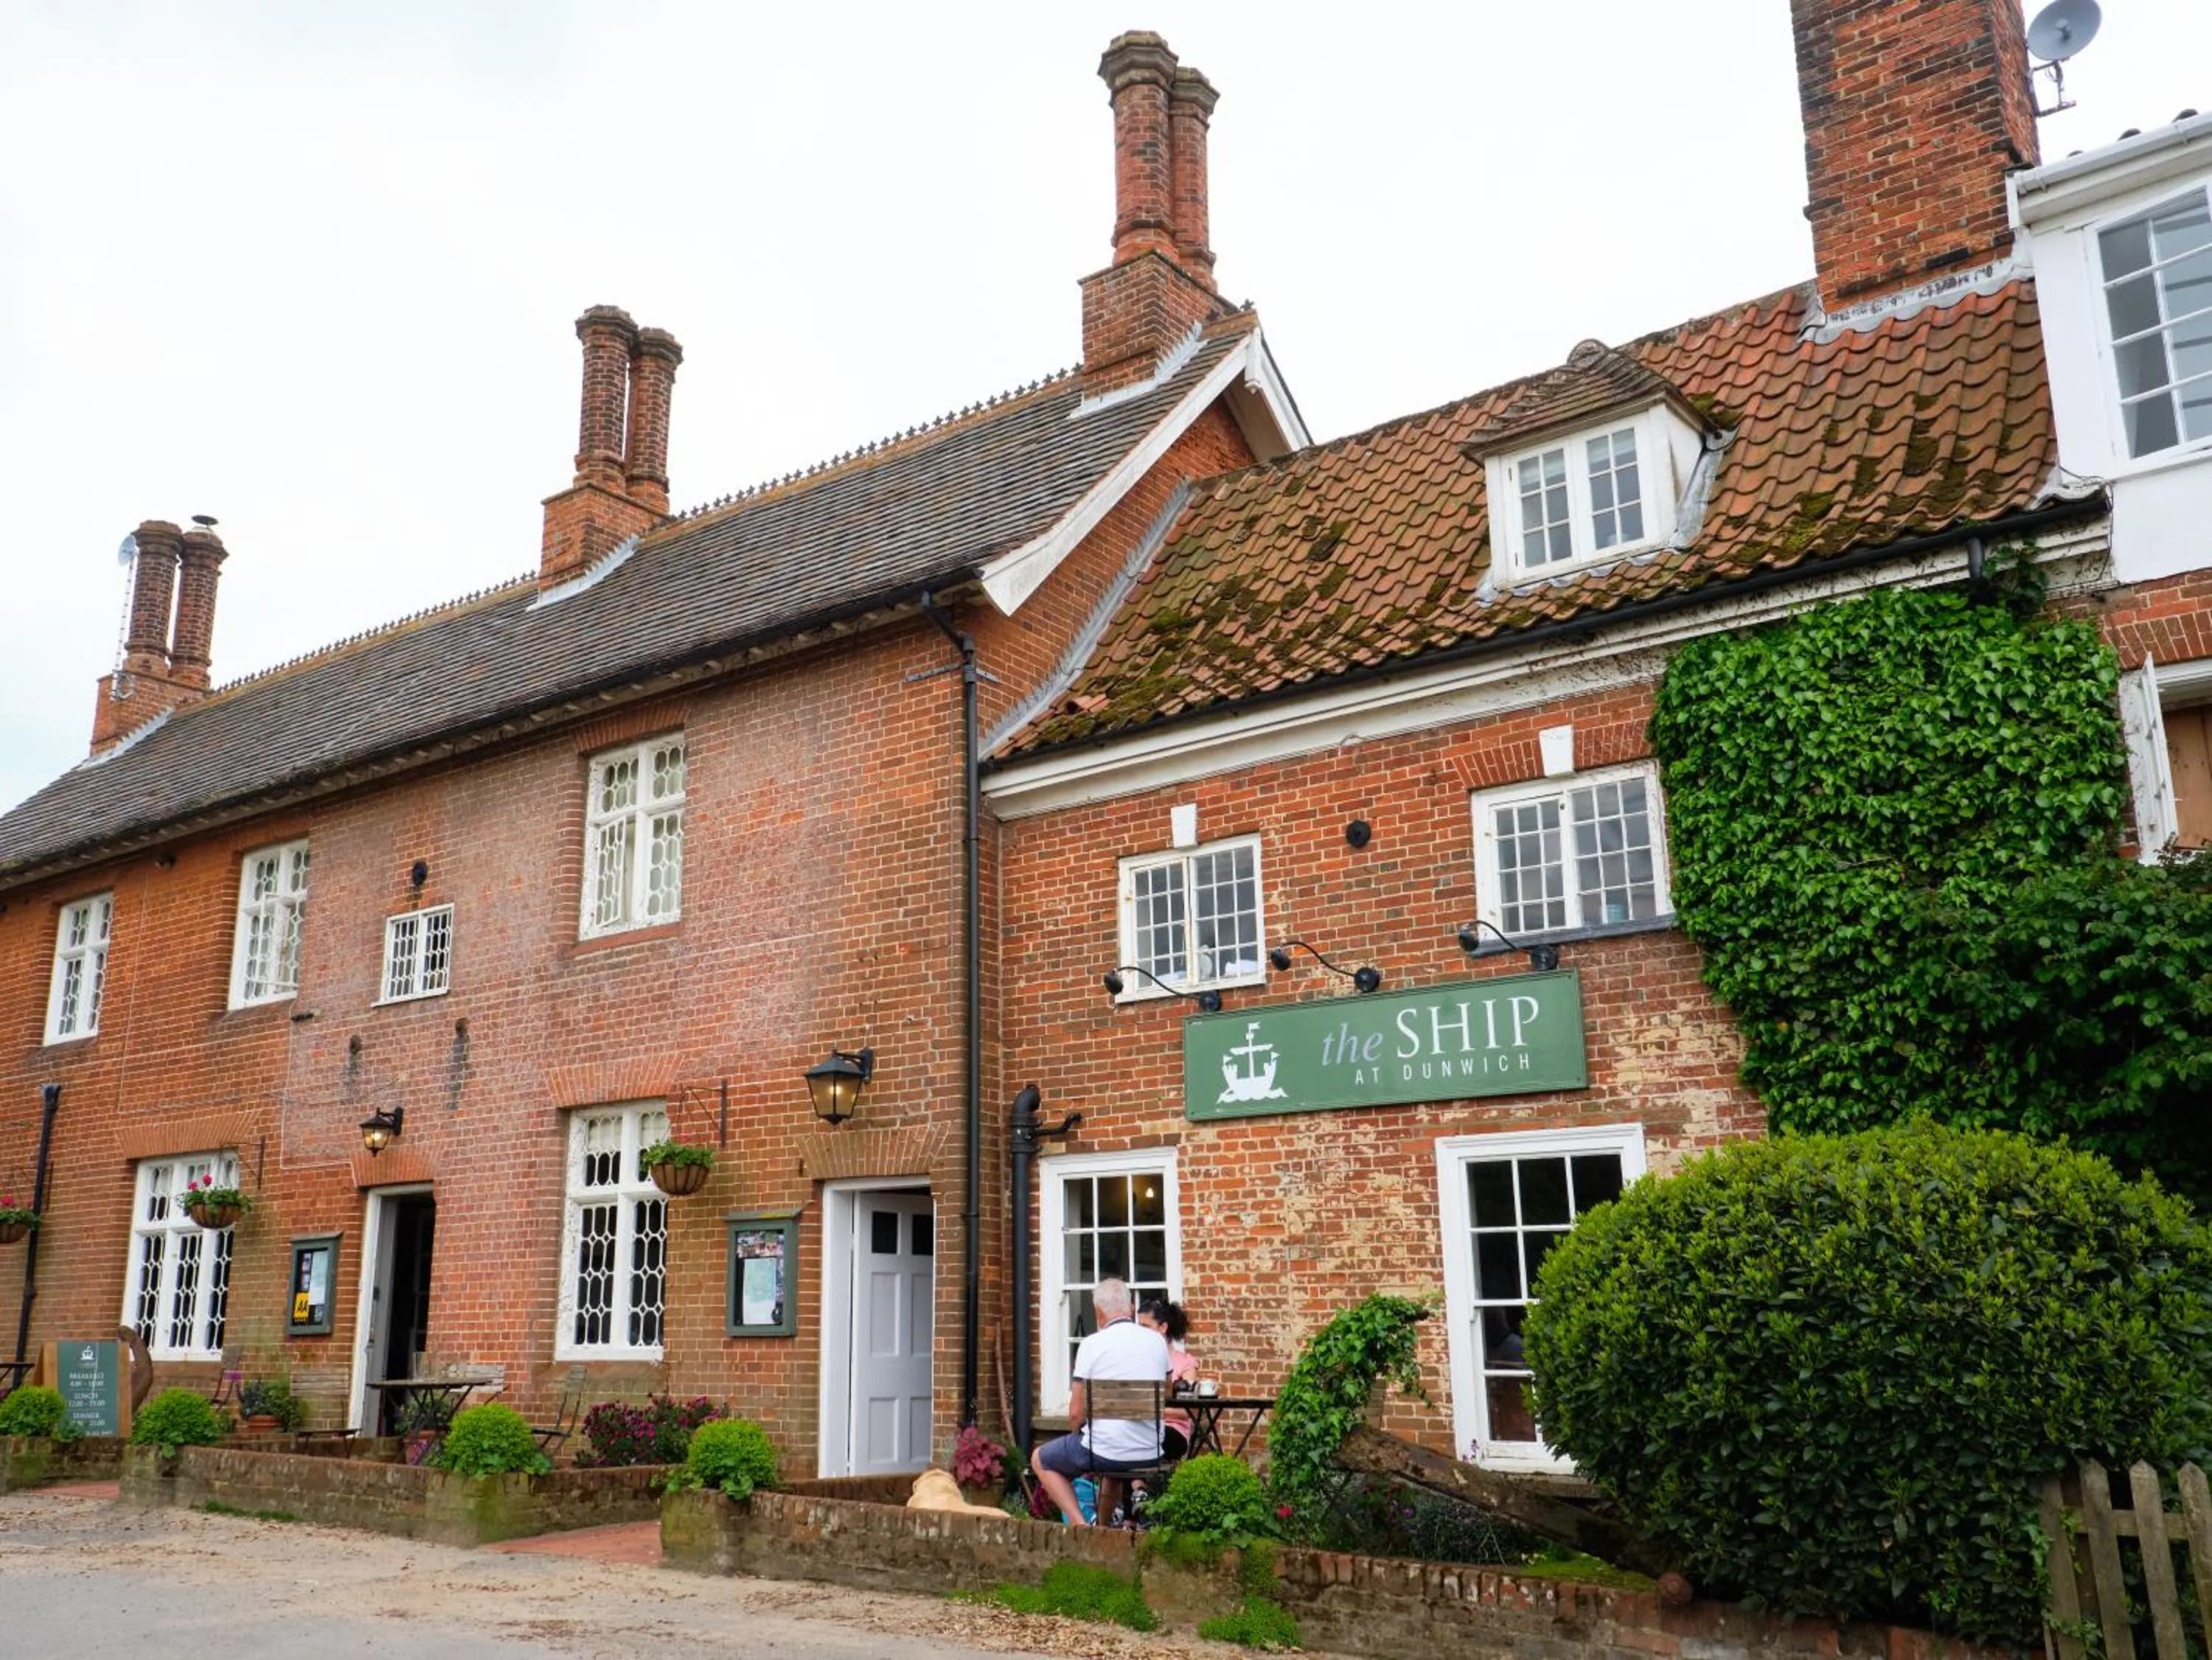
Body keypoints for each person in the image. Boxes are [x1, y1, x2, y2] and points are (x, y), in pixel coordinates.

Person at [1029, 1277, 1168, 1527]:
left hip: (1104, 1452)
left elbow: (1075, 1413)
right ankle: (1103, 1529)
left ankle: (1081, 1527)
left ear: (1099, 1314)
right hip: (1150, 1451)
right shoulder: (1157, 1341)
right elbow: (1167, 1392)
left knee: (1040, 1459)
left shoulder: (1091, 1345)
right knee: (1111, 1456)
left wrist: (1079, 1434)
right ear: (1131, 1309)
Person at [1138, 1294, 1198, 1460]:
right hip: (1143, 1429)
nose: (1140, 1333)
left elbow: (1187, 1411)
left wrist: (1149, 1411)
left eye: (1145, 1327)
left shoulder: (1185, 1363)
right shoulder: (1138, 1361)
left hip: (1173, 1431)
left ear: (1163, 1327)